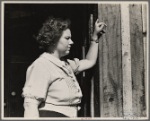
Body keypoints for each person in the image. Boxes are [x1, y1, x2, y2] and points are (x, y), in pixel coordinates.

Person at [22, 16, 107, 118]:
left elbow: (90, 61)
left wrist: (94, 38)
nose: (71, 42)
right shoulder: (41, 65)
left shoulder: (65, 65)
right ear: (54, 39)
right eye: (67, 38)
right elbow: (30, 104)